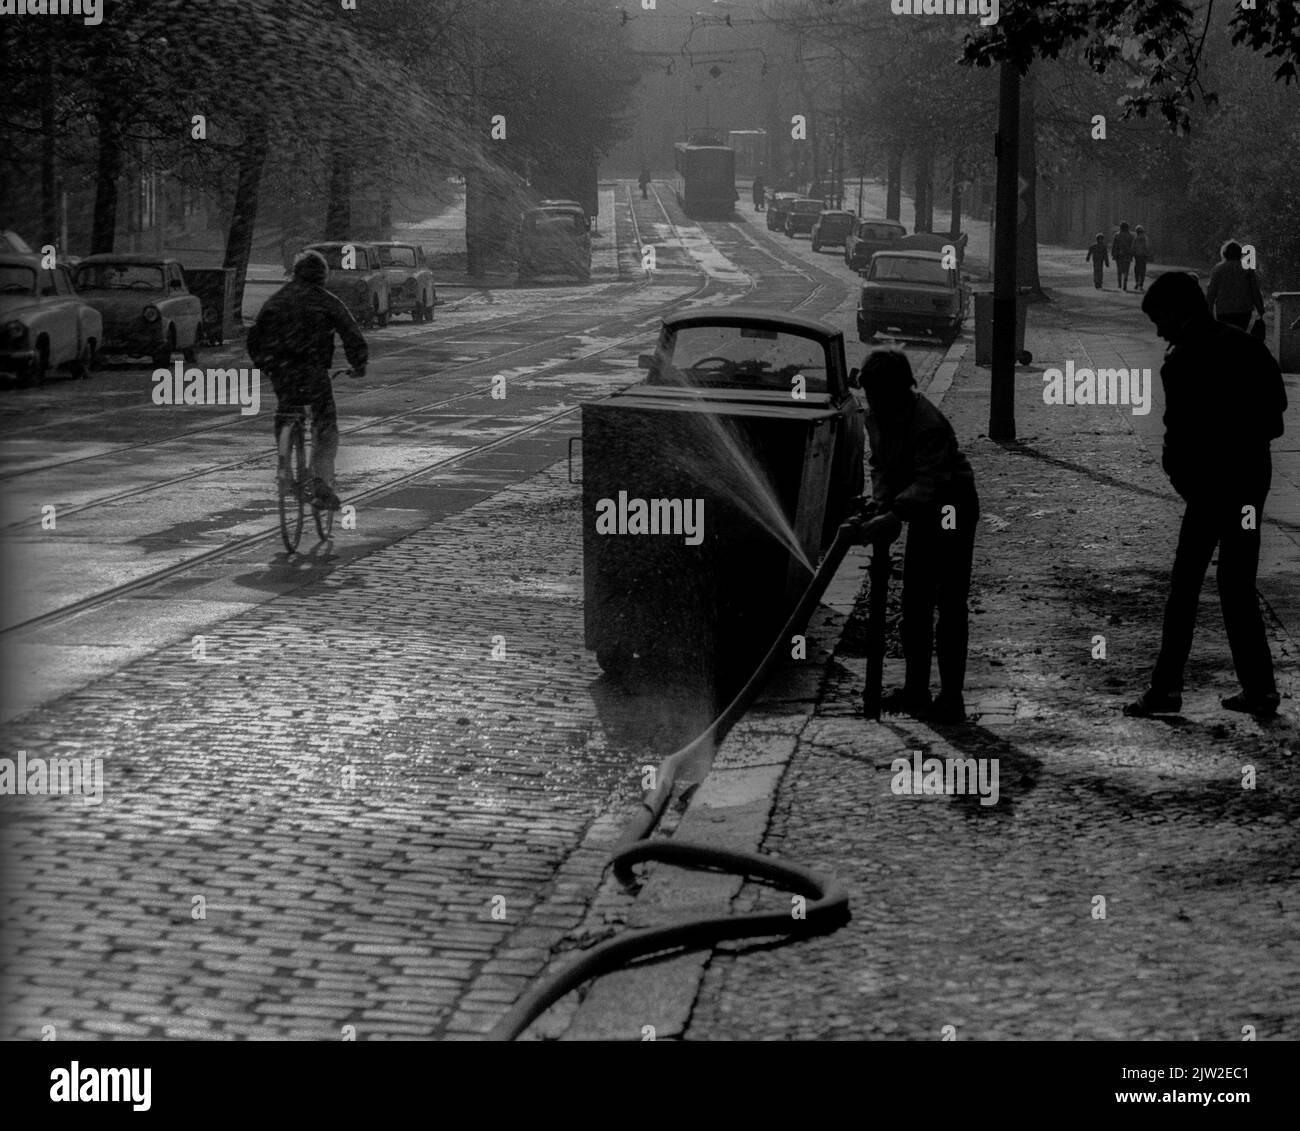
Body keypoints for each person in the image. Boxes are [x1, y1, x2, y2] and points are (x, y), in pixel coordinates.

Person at [1125, 271, 1287, 719]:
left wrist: (1190, 485)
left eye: (1159, 319)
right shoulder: (1246, 345)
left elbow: (1177, 442)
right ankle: (1260, 688)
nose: (1158, 330)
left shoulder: (1181, 362)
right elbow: (1276, 414)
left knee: (1185, 588)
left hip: (1210, 490)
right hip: (1251, 481)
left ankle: (1167, 688)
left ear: (1178, 313)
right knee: (1237, 587)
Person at [853, 349, 980, 723]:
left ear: (898, 390)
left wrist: (894, 514)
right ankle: (916, 689)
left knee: (950, 600)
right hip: (922, 506)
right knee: (915, 600)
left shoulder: (928, 424)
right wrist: (881, 505)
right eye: (870, 395)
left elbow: (930, 482)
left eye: (878, 394)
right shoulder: (876, 415)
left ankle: (951, 697)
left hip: (951, 507)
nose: (873, 403)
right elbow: (880, 465)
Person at [247, 250, 368, 512]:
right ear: (323, 277)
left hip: (282, 371)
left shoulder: (278, 299)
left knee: (286, 409)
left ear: (295, 273)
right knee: (325, 423)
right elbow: (351, 333)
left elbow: (254, 336)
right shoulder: (326, 301)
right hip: (313, 370)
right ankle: (322, 481)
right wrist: (358, 364)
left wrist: (265, 365)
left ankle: (283, 464)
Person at [1207, 240, 1265, 331]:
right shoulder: (1247, 269)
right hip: (1243, 310)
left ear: (1224, 254)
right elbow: (1255, 291)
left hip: (1224, 310)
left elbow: (1211, 293)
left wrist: (1209, 311)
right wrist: (1260, 309)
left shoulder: (1218, 269)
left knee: (1226, 337)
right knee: (1240, 336)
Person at [1111, 221, 1135, 291]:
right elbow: (1132, 246)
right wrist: (1132, 254)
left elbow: (1114, 246)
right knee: (1126, 270)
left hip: (1119, 255)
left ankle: (1119, 284)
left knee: (1119, 270)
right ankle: (1125, 284)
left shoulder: (1117, 235)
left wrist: (1113, 254)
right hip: (1127, 255)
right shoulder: (1130, 236)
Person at [1132, 225, 1151, 291]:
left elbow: (1133, 247)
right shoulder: (1145, 238)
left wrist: (1133, 254)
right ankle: (1141, 284)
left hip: (1137, 256)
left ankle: (1137, 282)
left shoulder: (1136, 238)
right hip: (1143, 256)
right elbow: (1147, 247)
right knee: (1142, 270)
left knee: (1137, 270)